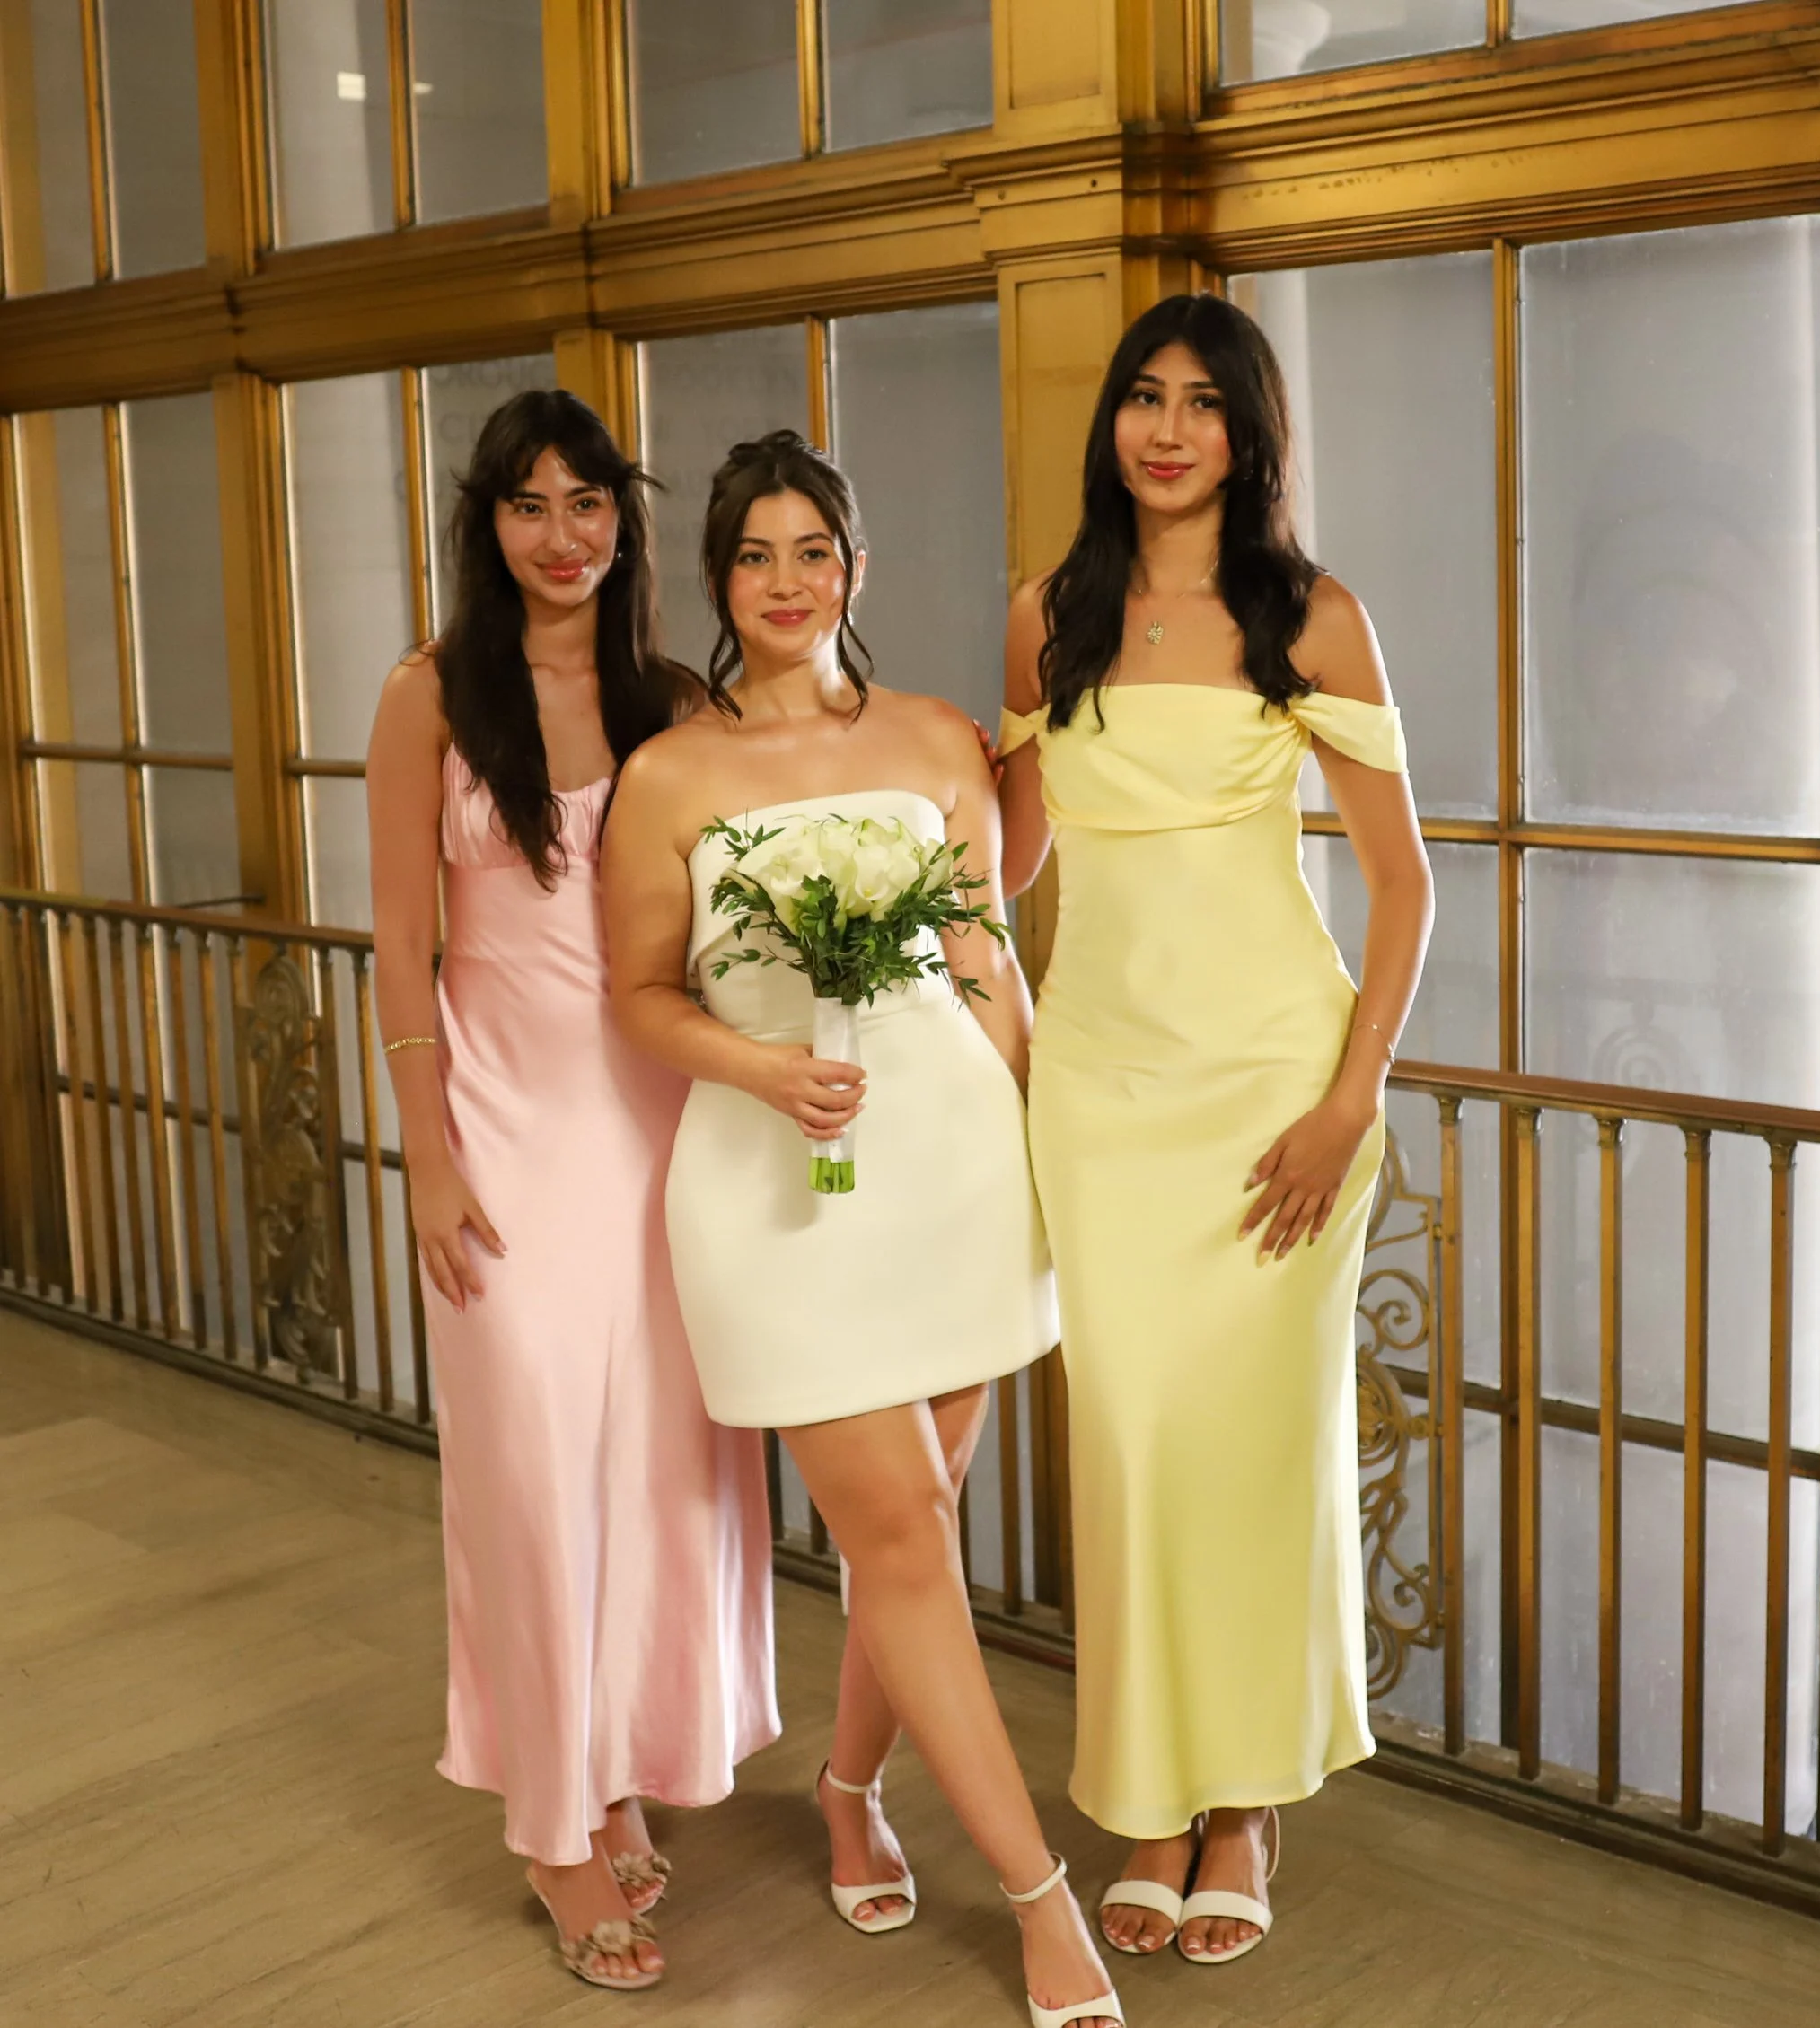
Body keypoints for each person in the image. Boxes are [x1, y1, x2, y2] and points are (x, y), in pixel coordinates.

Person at [602, 429, 1122, 2028]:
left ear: (854, 567)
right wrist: (760, 1066)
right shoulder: (670, 773)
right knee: (899, 1533)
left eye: (809, 551)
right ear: (717, 579)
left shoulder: (934, 734)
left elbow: (985, 958)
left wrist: (1055, 1159)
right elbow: (635, 994)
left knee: (916, 1531)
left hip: (954, 1165)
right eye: (752, 556)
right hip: (773, 1185)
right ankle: (1042, 1903)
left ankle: (846, 1787)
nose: (782, 582)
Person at [998, 293, 1434, 1968]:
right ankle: (1149, 1792)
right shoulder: (1051, 615)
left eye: (1203, 403)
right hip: (1103, 1095)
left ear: (1250, 434)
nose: (1167, 429)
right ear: (1111, 421)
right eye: (1142, 398)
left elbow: (1405, 882)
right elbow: (1014, 851)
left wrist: (1349, 1098)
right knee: (1130, 1447)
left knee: (1255, 1449)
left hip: (1274, 1091)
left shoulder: (1310, 617)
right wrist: (870, 860)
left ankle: (1241, 1800)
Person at [367, 390, 777, 1994]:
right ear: (489, 525)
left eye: (590, 501)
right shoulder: (429, 694)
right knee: (534, 1472)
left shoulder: (672, 699)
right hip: (500, 1130)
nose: (564, 533)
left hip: (661, 1136)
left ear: (624, 518)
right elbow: (404, 944)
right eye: (530, 505)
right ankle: (550, 1823)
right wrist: (426, 1150)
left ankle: (615, 1765)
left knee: (653, 1472)